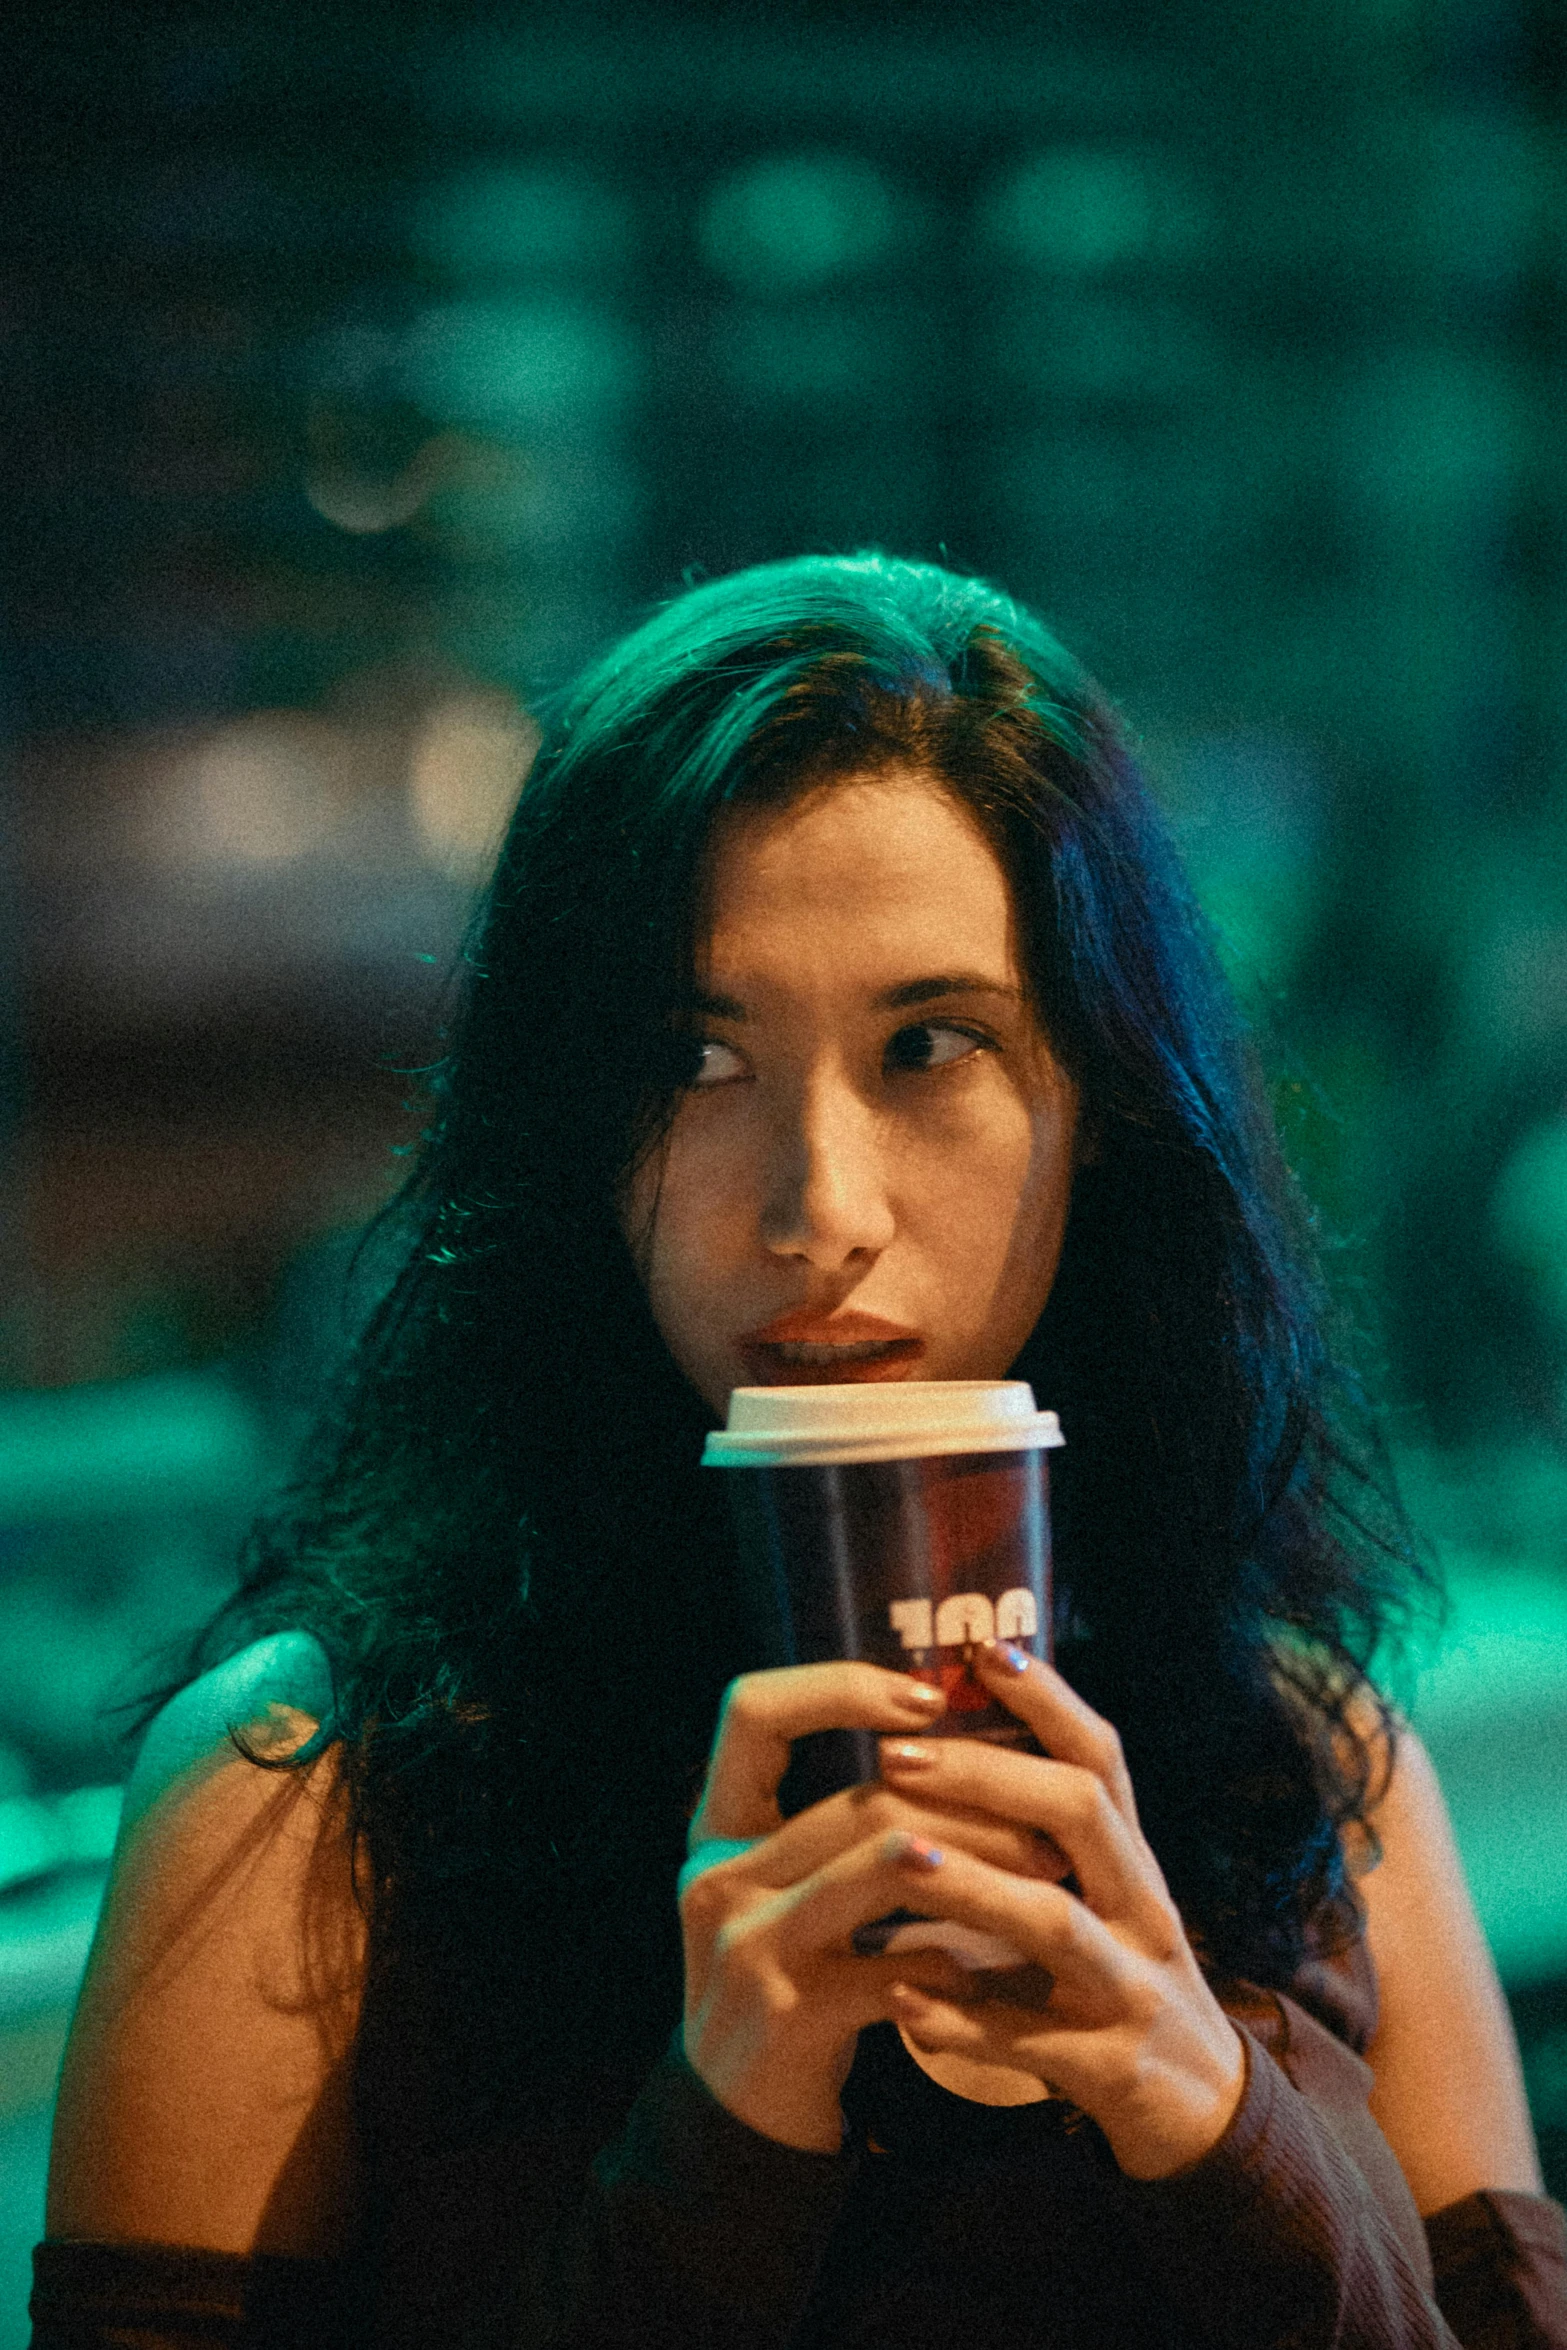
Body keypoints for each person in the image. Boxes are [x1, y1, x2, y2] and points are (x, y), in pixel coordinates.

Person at [32, 556, 1567, 2347]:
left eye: (929, 1044)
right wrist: (726, 2133)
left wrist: (1212, 2111)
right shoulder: (303, 1806)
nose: (816, 1209)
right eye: (696, 1056)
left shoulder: (1308, 1765)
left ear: (1099, 1102)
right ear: (566, 1131)